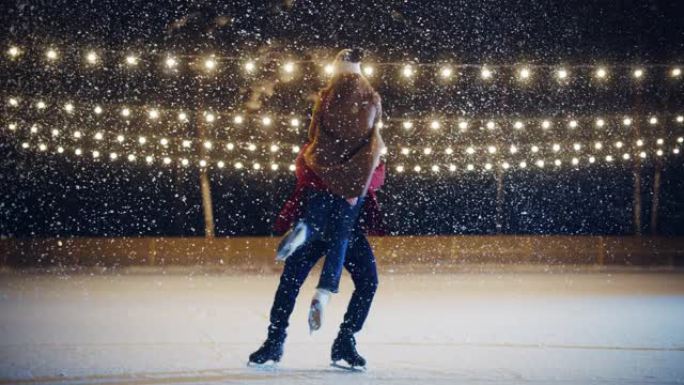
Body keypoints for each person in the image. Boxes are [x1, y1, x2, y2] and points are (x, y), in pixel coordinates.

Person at [249, 48, 385, 368]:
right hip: (342, 223)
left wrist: (331, 179)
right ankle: (332, 339)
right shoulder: (369, 148)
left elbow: (304, 167)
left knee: (297, 280)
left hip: (320, 215)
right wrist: (356, 184)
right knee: (360, 280)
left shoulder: (321, 145)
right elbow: (377, 176)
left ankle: (289, 341)